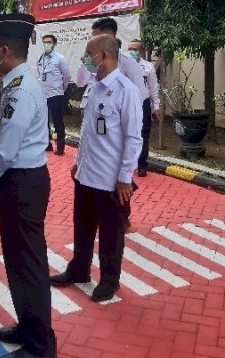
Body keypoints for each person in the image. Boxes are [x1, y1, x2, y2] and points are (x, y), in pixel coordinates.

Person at [0, 13, 57, 358]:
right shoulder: (15, 82)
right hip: (20, 179)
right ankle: (28, 327)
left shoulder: (21, 88)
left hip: (22, 181)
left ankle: (41, 345)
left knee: (29, 264)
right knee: (18, 260)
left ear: (5, 49)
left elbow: (6, 145)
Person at [50, 34, 142, 302]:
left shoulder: (126, 91)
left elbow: (133, 138)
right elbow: (89, 131)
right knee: (83, 226)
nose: (85, 59)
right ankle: (79, 270)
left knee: (111, 232)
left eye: (88, 54)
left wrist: (125, 177)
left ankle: (110, 280)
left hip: (111, 179)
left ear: (103, 56)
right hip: (86, 174)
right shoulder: (92, 86)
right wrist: (78, 162)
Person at [76, 17, 147, 229]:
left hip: (119, 124)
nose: (91, 40)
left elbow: (139, 94)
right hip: (96, 130)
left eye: (95, 35)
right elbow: (81, 82)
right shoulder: (93, 65)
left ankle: (123, 214)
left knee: (119, 189)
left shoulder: (127, 63)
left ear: (109, 36)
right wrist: (86, 62)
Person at [127, 39, 160, 177]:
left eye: (135, 49)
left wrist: (156, 106)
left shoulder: (148, 67)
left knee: (143, 134)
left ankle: (142, 165)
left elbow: (153, 88)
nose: (132, 52)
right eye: (130, 49)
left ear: (141, 51)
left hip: (143, 103)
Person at [37, 34, 70, 155]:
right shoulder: (40, 58)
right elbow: (40, 75)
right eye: (45, 42)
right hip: (43, 94)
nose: (47, 44)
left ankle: (60, 147)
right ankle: (47, 144)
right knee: (43, 121)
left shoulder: (59, 58)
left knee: (57, 121)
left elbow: (66, 76)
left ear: (54, 43)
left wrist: (61, 89)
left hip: (55, 94)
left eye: (49, 42)